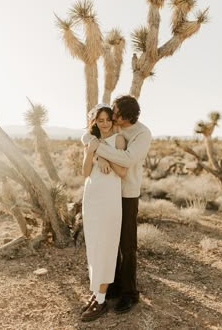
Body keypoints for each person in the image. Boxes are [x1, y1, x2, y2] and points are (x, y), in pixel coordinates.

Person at [83, 95, 151, 314]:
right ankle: (111, 286)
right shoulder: (115, 127)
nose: (111, 116)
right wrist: (96, 157)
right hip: (107, 194)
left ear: (127, 117)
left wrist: (98, 150)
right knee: (108, 241)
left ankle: (129, 294)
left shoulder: (142, 133)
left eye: (116, 113)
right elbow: (89, 136)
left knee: (127, 245)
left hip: (127, 193)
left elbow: (126, 160)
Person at [81, 104, 127, 322]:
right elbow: (84, 172)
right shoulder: (91, 141)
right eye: (100, 120)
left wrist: (106, 156)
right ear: (95, 122)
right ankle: (96, 292)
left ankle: (101, 300)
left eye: (108, 119)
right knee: (94, 245)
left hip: (109, 200)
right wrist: (93, 152)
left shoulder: (117, 140)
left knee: (107, 246)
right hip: (91, 197)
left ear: (113, 120)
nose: (105, 123)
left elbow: (122, 171)